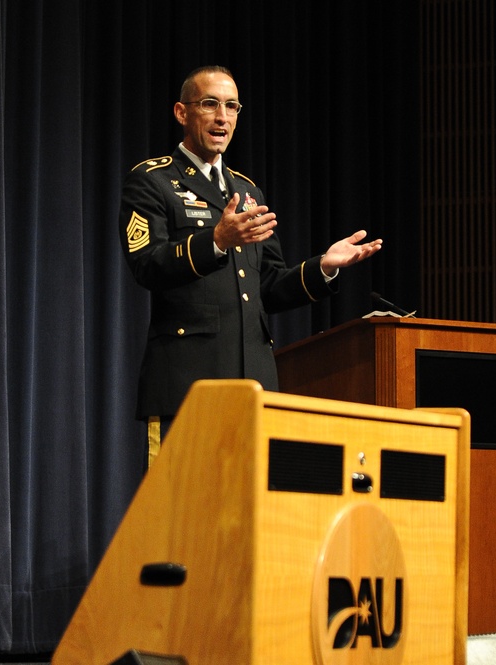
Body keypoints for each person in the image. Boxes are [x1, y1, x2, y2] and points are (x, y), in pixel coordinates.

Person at [120, 65, 382, 467]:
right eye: (210, 104)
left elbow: (268, 286)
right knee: (180, 519)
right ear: (181, 112)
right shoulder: (153, 181)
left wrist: (323, 267)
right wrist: (217, 241)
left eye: (232, 106)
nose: (222, 117)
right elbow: (148, 265)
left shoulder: (246, 190)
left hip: (254, 384)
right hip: (187, 384)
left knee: (247, 521)